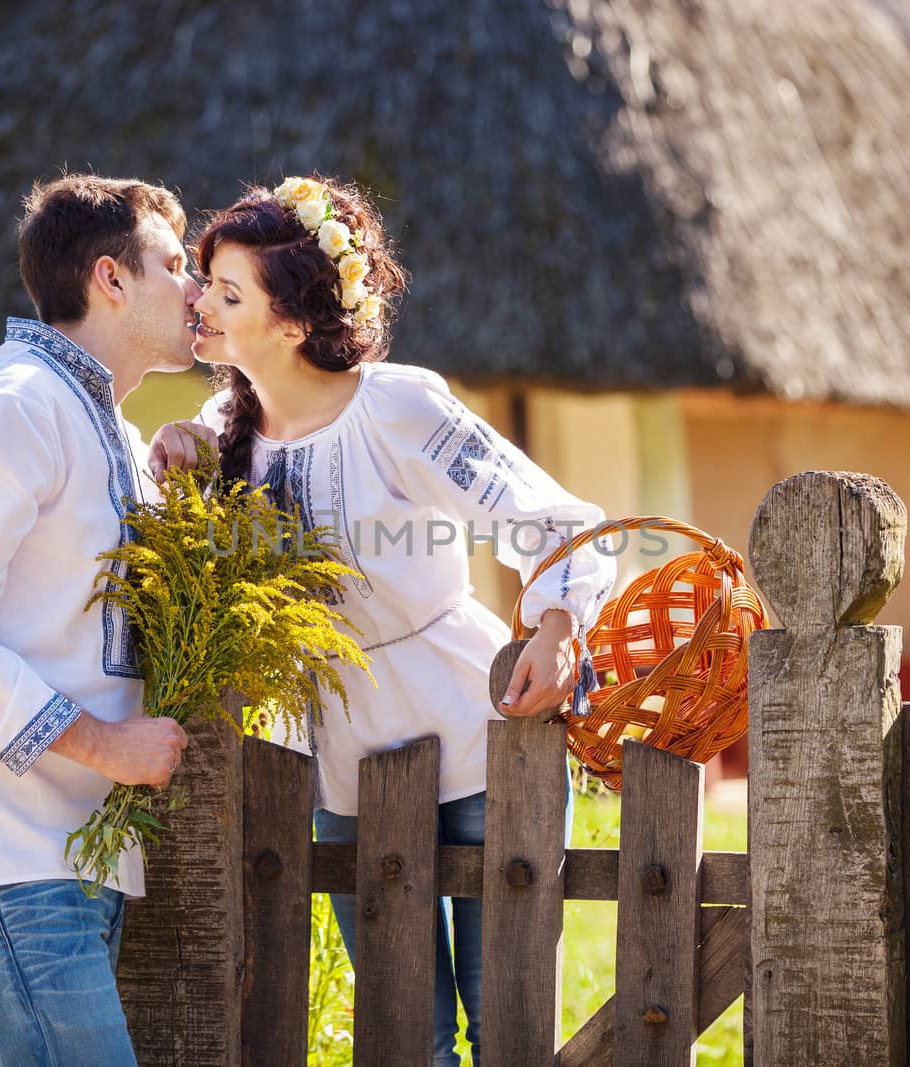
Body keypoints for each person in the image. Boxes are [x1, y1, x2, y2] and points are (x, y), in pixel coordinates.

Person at [153, 175, 615, 1066]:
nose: (197, 302)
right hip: (341, 770)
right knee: (409, 1041)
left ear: (292, 323)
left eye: (226, 290)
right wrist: (175, 463)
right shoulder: (220, 432)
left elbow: (555, 522)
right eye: (205, 281)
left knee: (509, 1031)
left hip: (478, 738)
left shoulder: (399, 405)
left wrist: (558, 629)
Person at [0, 173, 207, 1067]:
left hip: (70, 857)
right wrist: (107, 747)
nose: (196, 288)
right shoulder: (17, 403)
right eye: (174, 265)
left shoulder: (107, 427)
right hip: (10, 855)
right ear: (110, 279)